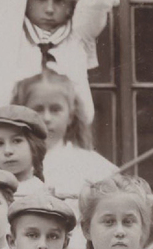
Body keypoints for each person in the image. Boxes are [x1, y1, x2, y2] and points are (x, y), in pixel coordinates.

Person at [11, 0, 119, 137]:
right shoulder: (13, 36)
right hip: (20, 137)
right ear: (26, 0)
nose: (50, 9)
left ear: (70, 4)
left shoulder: (78, 34)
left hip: (71, 136)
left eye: (59, 1)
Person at [13, 70, 116, 201]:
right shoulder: (4, 163)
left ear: (70, 116)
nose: (47, 118)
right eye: (38, 109)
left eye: (55, 109)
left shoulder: (96, 168)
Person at [0, 105, 46, 188]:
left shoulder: (43, 193)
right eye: (0, 143)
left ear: (35, 146)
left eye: (17, 141)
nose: (7, 151)